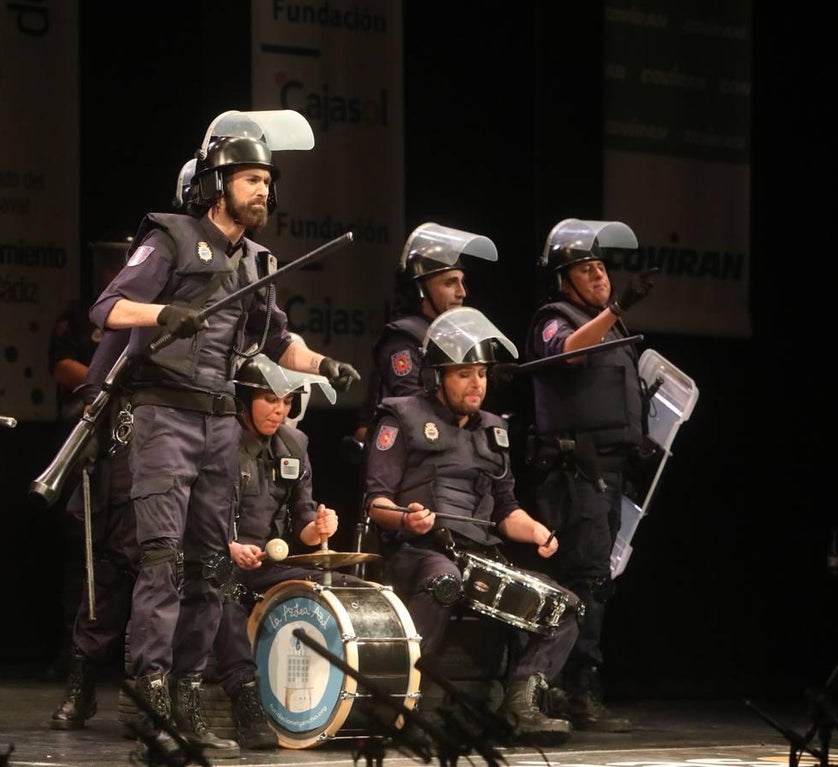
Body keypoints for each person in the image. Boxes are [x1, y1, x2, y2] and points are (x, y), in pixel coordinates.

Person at [87, 110, 361, 758]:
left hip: (216, 421)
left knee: (210, 568)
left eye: (268, 179)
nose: (263, 189)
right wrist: (164, 312)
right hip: (163, 417)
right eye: (250, 178)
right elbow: (108, 309)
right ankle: (149, 712)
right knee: (160, 567)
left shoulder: (257, 260)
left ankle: (187, 703)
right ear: (216, 181)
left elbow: (278, 339)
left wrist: (323, 364)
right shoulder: (172, 237)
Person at [363, 306, 580, 746]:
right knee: (444, 579)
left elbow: (506, 511)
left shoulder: (494, 432)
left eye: (481, 373)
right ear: (436, 377)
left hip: (478, 559)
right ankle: (398, 707)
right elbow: (375, 504)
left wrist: (536, 530)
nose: (476, 383)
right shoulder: (400, 417)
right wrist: (408, 516)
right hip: (417, 554)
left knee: (566, 606)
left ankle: (521, 702)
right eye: (464, 373)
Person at [522, 218, 658, 733]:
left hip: (611, 472)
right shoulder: (552, 319)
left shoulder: (611, 325)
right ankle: (571, 693)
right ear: (565, 278)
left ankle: (572, 689)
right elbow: (569, 352)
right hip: (576, 472)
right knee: (585, 580)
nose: (600, 276)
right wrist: (616, 308)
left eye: (603, 268)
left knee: (600, 581)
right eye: (587, 268)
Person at [194, 354, 360, 750]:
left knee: (341, 587)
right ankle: (247, 697)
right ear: (245, 399)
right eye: (270, 399)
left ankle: (344, 697)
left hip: (270, 562)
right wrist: (230, 547)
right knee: (225, 590)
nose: (279, 409)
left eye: (286, 401)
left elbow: (303, 516)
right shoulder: (219, 442)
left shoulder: (295, 443)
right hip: (219, 555)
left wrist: (319, 526)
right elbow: (197, 511)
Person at [48, 326, 141, 730]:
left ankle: (155, 694)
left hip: (176, 464)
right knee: (102, 583)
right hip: (123, 460)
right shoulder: (127, 329)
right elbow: (92, 385)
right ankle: (81, 686)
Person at [45, 238, 128, 681]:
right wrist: (110, 379)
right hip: (86, 435)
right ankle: (72, 653)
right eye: (113, 264)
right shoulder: (82, 313)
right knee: (82, 547)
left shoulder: (150, 315)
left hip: (135, 440)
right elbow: (61, 366)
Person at [352, 223, 499, 449]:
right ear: (420, 289)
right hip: (412, 455)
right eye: (450, 283)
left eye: (462, 282)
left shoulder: (456, 336)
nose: (462, 292)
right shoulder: (402, 339)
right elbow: (416, 407)